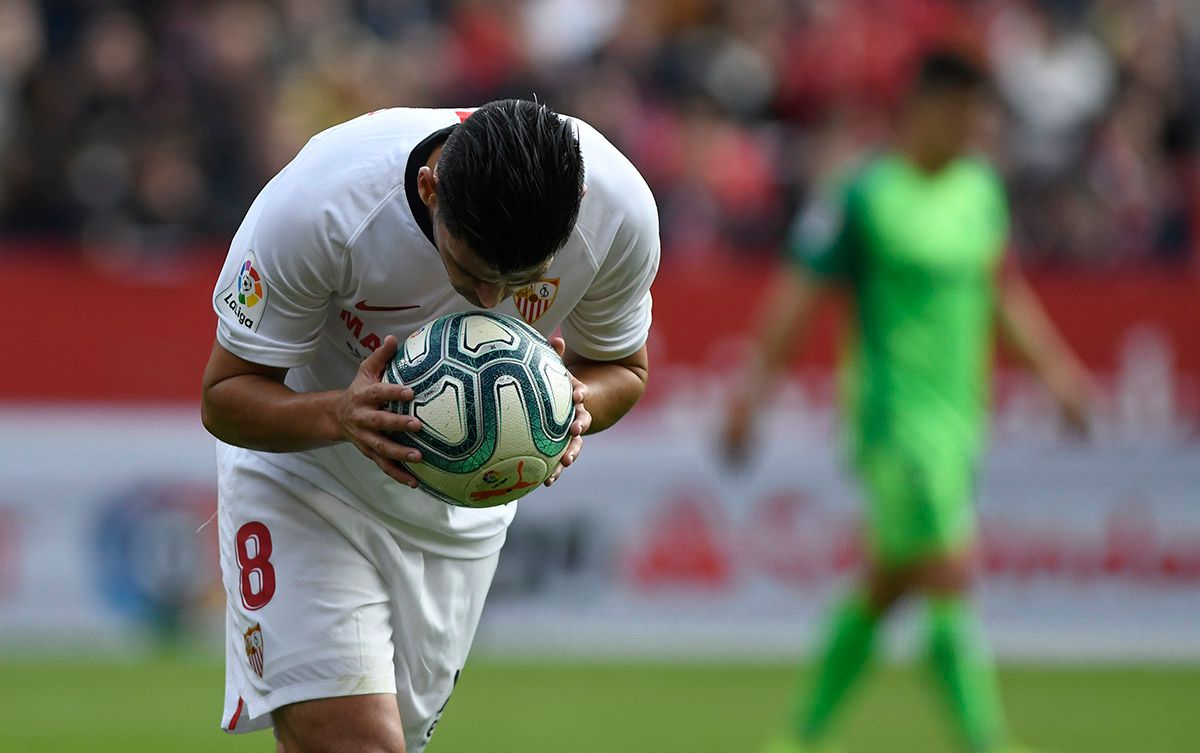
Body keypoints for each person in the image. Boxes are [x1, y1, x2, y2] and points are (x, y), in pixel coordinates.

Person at [201, 99, 658, 753]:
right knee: (356, 744)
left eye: (524, 280)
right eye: (472, 271)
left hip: (463, 507)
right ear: (429, 188)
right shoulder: (321, 204)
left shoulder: (619, 210)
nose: (492, 301)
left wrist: (574, 405)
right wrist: (339, 415)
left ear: (577, 204)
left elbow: (623, 368)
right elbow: (224, 396)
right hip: (307, 477)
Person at [722, 52, 1095, 753]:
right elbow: (797, 299)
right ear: (923, 109)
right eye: (963, 113)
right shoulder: (863, 195)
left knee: (891, 582)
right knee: (948, 571)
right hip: (893, 423)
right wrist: (751, 395)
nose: (974, 129)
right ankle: (985, 739)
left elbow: (1002, 293)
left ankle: (796, 738)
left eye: (982, 116)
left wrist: (1058, 373)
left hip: (961, 421)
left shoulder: (980, 191)